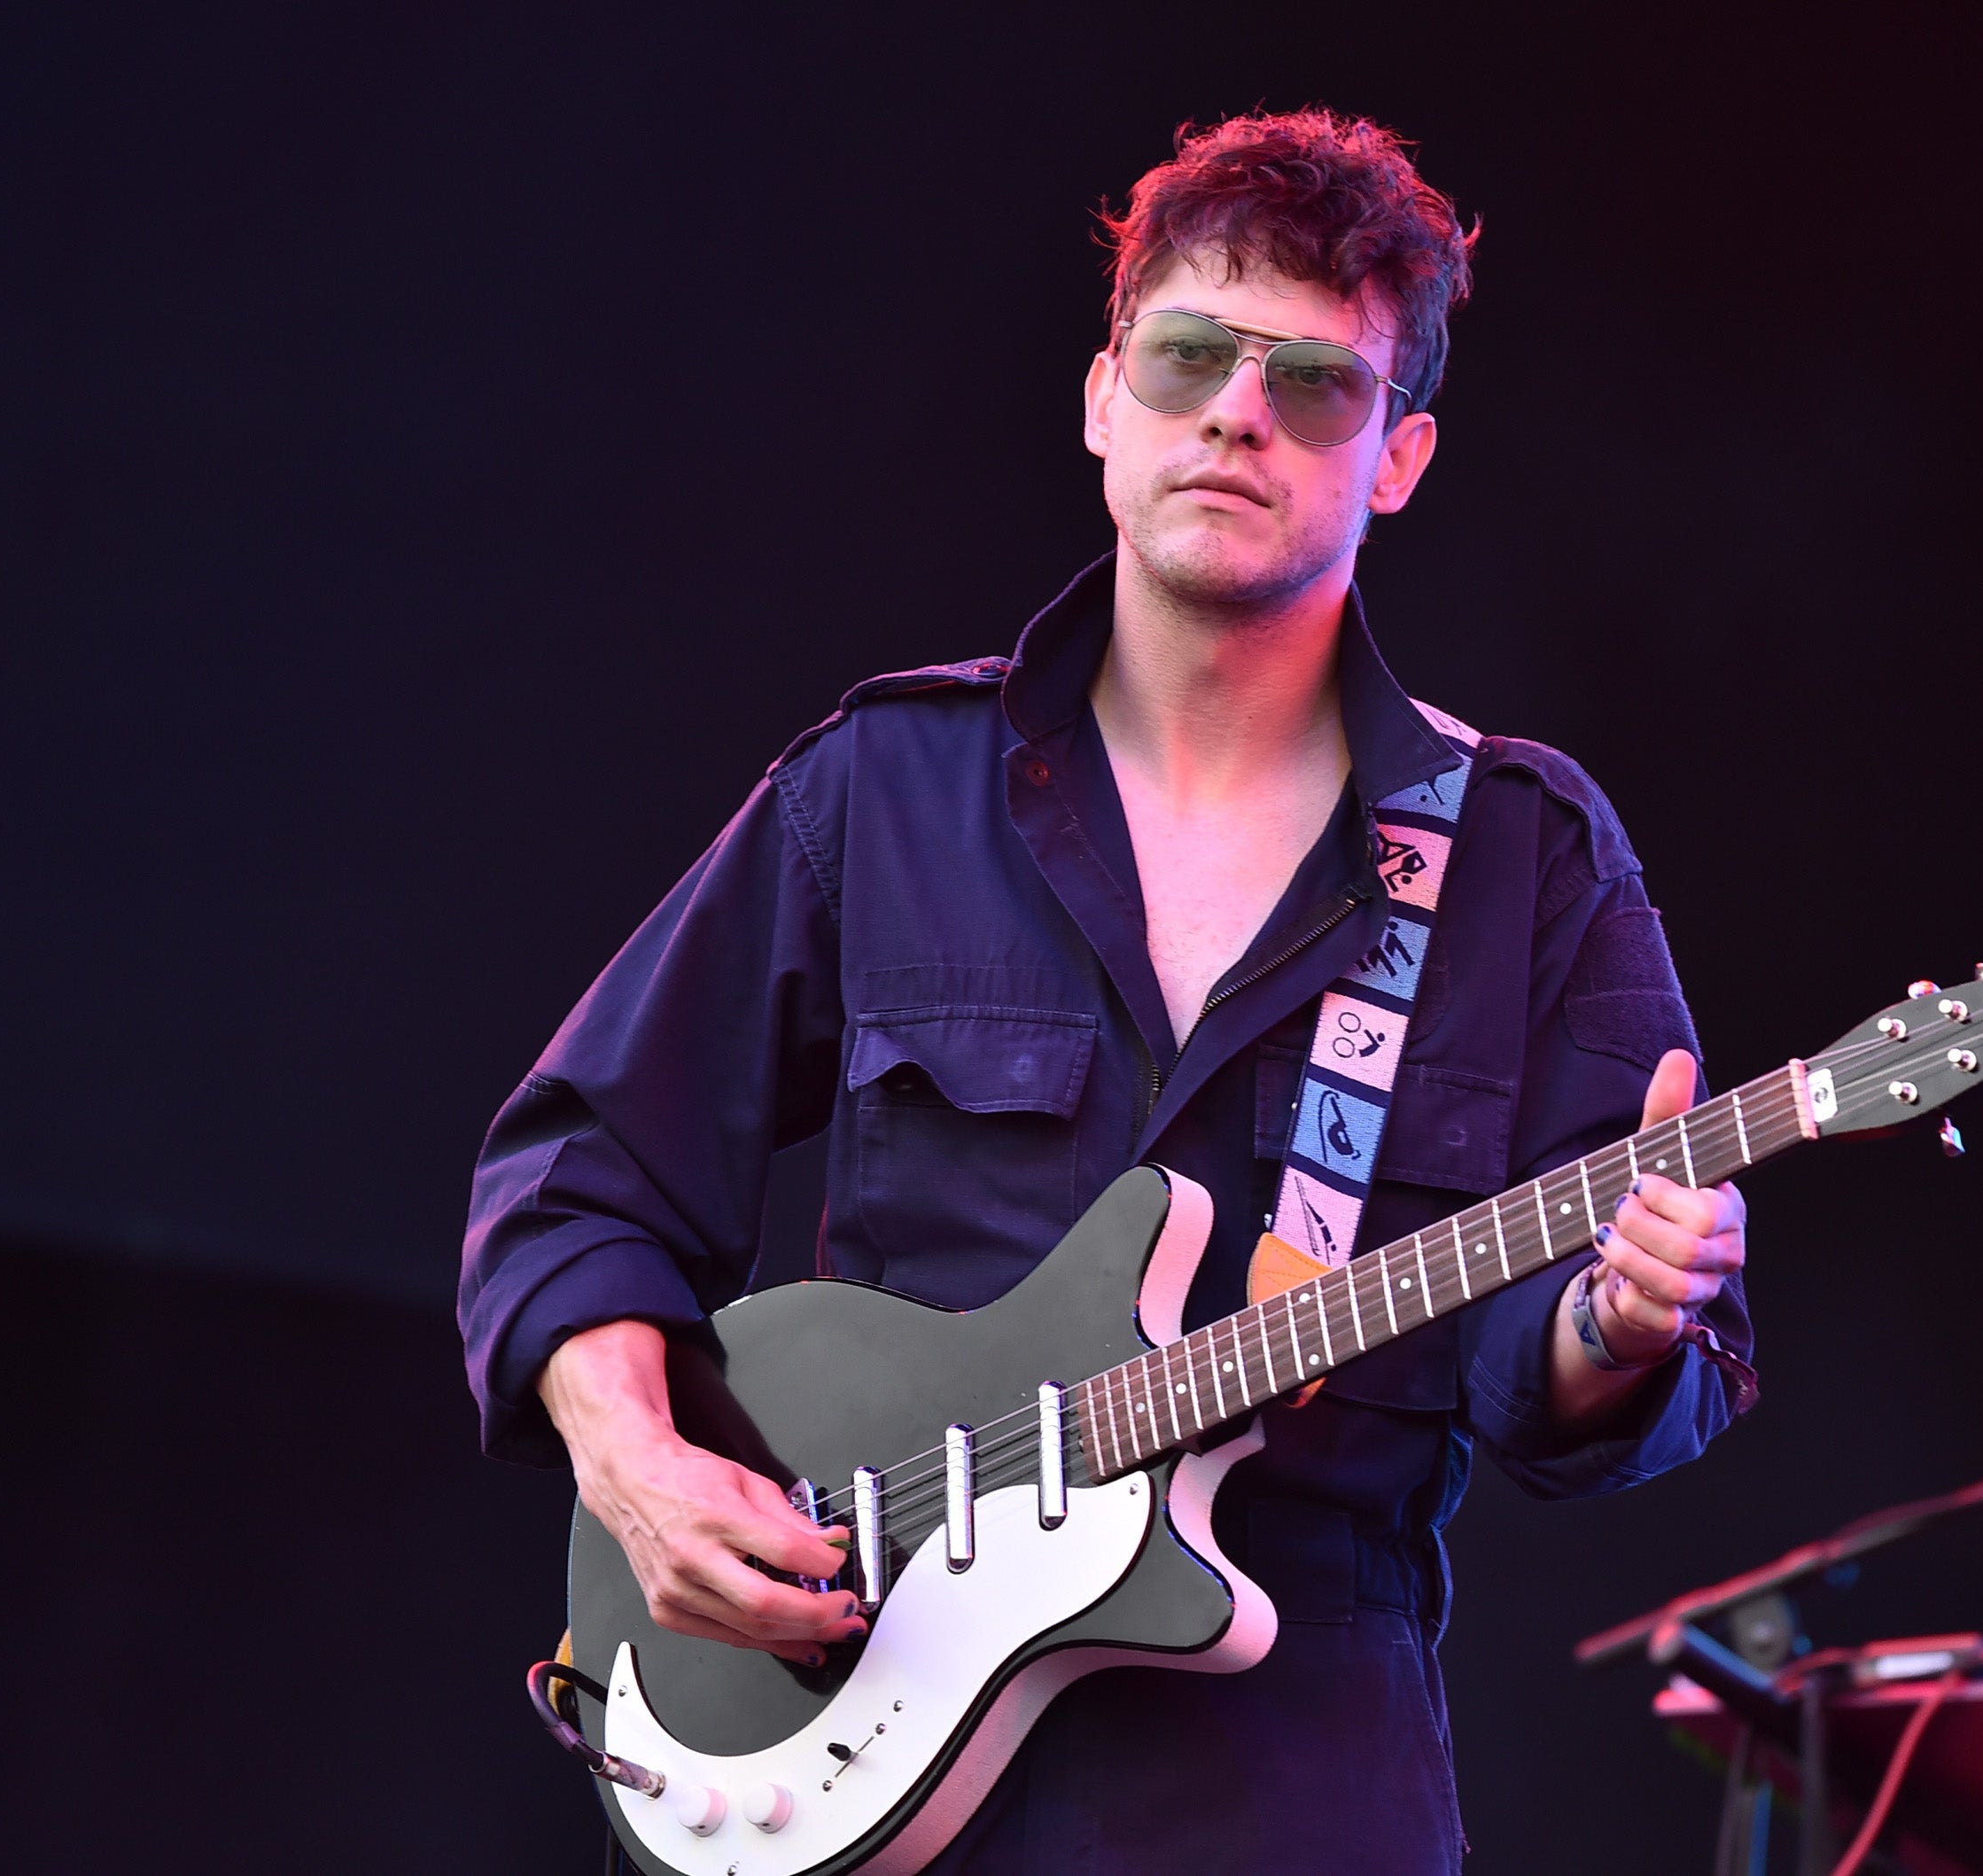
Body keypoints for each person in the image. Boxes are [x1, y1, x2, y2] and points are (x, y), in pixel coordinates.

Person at [461, 108, 1753, 1873]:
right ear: (1102, 401)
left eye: (1313, 380)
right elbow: (576, 1178)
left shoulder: (1521, 853)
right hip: (860, 1759)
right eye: (1191, 356)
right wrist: (636, 1466)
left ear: (1398, 457)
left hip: (1297, 1788)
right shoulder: (885, 785)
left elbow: (1575, 1397)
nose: (1237, 409)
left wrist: (1627, 1318)